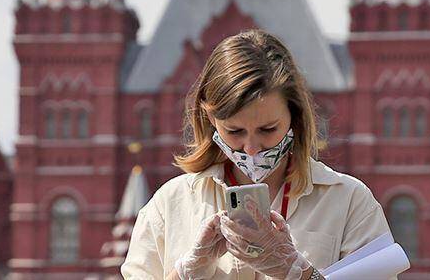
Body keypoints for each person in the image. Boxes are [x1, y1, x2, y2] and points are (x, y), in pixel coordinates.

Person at [122, 29, 393, 280]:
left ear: (294, 116)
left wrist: (299, 274)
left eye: (267, 129)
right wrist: (185, 274)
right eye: (235, 131)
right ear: (211, 120)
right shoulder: (171, 205)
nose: (251, 148)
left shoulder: (348, 202)